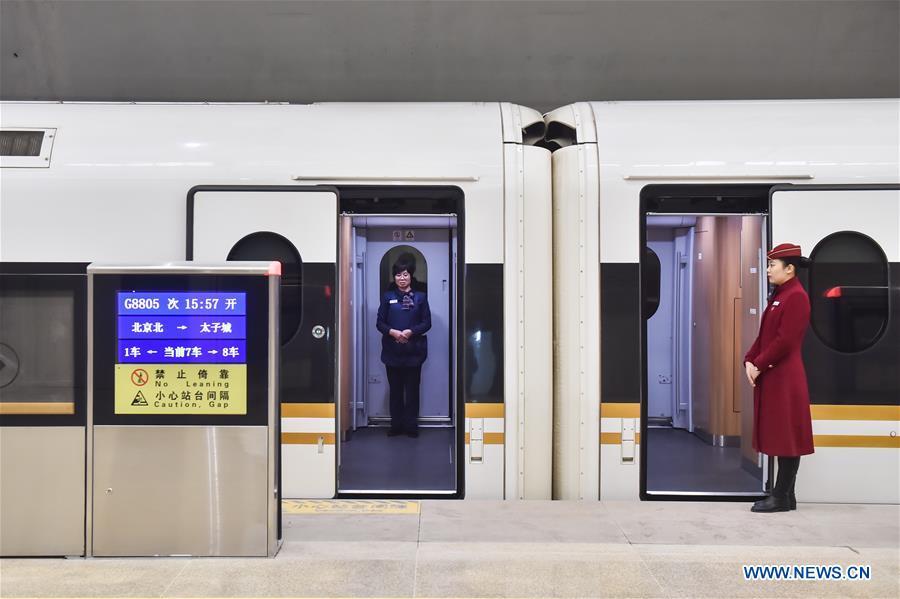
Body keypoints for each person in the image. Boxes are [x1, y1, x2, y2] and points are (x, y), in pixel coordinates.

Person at [744, 243, 814, 513]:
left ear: (790, 268)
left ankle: (781, 496)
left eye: (772, 265)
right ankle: (788, 495)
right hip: (774, 375)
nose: (768, 269)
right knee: (779, 433)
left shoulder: (796, 296)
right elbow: (764, 337)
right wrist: (749, 359)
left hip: (785, 377)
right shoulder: (780, 295)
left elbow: (786, 340)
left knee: (786, 436)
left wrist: (759, 365)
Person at [376, 257, 431, 437]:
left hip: (414, 351)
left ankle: (411, 426)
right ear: (394, 277)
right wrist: (392, 332)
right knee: (396, 391)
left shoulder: (421, 297)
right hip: (393, 351)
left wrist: (410, 332)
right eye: (398, 275)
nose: (402, 278)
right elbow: (380, 323)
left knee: (412, 391)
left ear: (410, 276)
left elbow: (426, 323)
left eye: (405, 274)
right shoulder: (388, 297)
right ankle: (396, 425)